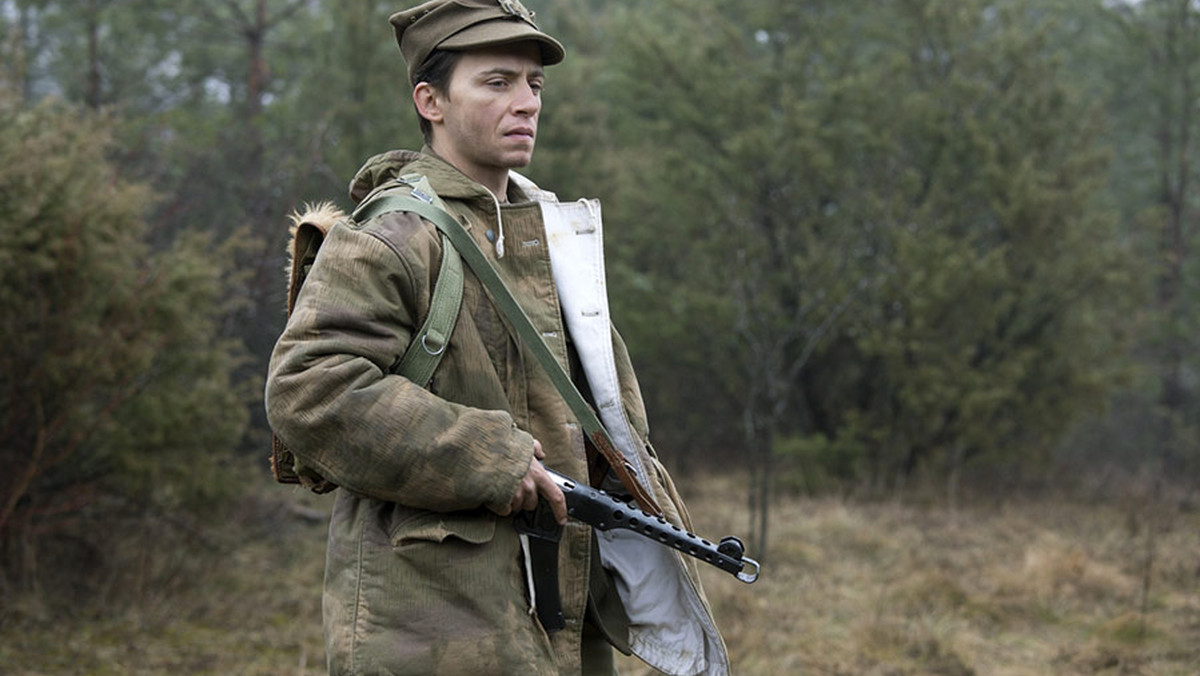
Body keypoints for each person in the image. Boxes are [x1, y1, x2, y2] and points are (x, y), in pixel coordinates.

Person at [265, 1, 730, 674]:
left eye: (533, 85)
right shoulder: (392, 237)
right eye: (497, 82)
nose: (526, 103)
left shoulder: (546, 233)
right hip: (434, 622)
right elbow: (310, 390)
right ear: (430, 100)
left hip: (561, 602)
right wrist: (491, 458)